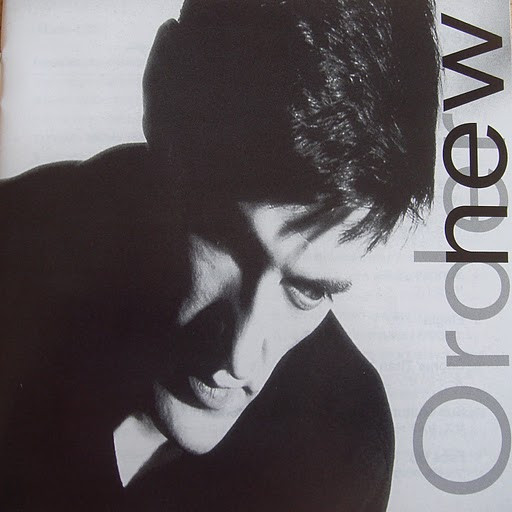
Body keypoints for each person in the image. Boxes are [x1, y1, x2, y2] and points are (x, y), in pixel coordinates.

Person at [0, 0, 439, 510]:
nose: (239, 356)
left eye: (307, 290)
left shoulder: (344, 447)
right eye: (225, 240)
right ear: (163, 91)